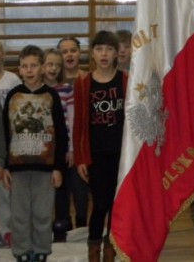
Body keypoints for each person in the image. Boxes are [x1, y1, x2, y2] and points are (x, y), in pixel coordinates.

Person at [2, 45, 68, 262]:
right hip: (17, 167)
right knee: (20, 214)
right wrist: (4, 166)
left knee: (42, 213)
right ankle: (22, 252)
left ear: (42, 68)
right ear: (19, 69)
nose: (29, 70)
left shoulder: (51, 96)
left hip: (45, 167)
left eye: (33, 65)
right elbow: (5, 132)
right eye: (24, 66)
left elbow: (61, 133)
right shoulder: (13, 95)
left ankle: (41, 251)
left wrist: (58, 167)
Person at [73, 30, 127, 262]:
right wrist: (80, 158)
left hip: (121, 155)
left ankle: (111, 250)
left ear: (116, 54)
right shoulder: (83, 83)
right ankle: (94, 250)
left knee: (118, 205)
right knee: (100, 204)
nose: (104, 54)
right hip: (96, 155)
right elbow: (79, 124)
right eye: (99, 49)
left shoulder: (126, 80)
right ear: (92, 53)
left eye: (109, 49)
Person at [42, 49, 75, 242]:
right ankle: (43, 229)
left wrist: (71, 148)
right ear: (42, 66)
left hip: (61, 148)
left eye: (57, 65)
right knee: (43, 190)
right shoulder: (37, 90)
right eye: (49, 64)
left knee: (62, 189)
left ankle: (62, 227)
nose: (53, 68)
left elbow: (71, 120)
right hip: (41, 149)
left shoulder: (66, 90)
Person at [57, 36, 89, 229]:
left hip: (81, 145)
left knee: (80, 191)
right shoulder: (54, 82)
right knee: (61, 191)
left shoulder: (87, 79)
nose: (69, 55)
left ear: (80, 53)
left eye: (73, 50)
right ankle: (63, 228)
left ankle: (82, 228)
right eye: (64, 52)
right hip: (60, 146)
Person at [0, 37, 21, 243]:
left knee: (5, 192)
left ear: (2, 54)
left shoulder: (12, 80)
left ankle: (6, 234)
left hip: (9, 142)